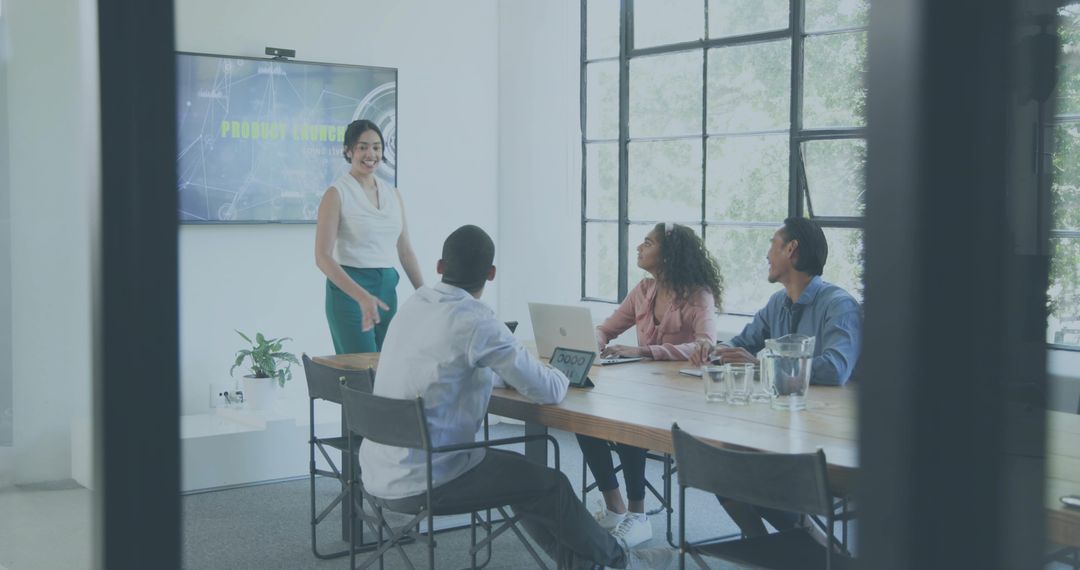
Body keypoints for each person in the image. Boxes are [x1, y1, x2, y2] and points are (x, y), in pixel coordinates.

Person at [358, 225, 674, 570]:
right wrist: (556, 368)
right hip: (434, 475)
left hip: (377, 470)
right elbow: (550, 390)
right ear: (491, 274)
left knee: (526, 481)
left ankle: (588, 565)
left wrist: (494, 376)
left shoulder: (414, 305)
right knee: (548, 484)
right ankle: (623, 562)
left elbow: (444, 368)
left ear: (439, 267)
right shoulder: (477, 320)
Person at [690, 216, 862, 536]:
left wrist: (759, 363)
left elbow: (836, 368)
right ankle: (761, 543)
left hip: (829, 434)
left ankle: (809, 543)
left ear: (792, 249)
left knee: (748, 471)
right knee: (723, 466)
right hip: (781, 423)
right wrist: (711, 350)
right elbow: (742, 344)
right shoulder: (777, 303)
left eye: (772, 245)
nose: (766, 255)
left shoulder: (839, 305)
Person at [580, 222, 723, 547]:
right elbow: (608, 328)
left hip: (683, 402)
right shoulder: (643, 291)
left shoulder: (698, 295)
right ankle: (616, 507)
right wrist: (594, 339)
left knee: (630, 422)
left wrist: (643, 350)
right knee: (584, 417)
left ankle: (639, 514)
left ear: (669, 254)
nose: (639, 247)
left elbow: (705, 346)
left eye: (648, 242)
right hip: (644, 393)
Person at [314, 119, 424, 354]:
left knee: (386, 369)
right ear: (348, 151)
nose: (370, 153)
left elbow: (405, 250)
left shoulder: (393, 194)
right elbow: (322, 257)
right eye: (362, 147)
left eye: (376, 147)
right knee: (361, 372)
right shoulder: (336, 193)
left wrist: (424, 293)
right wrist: (361, 296)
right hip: (349, 291)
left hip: (386, 289)